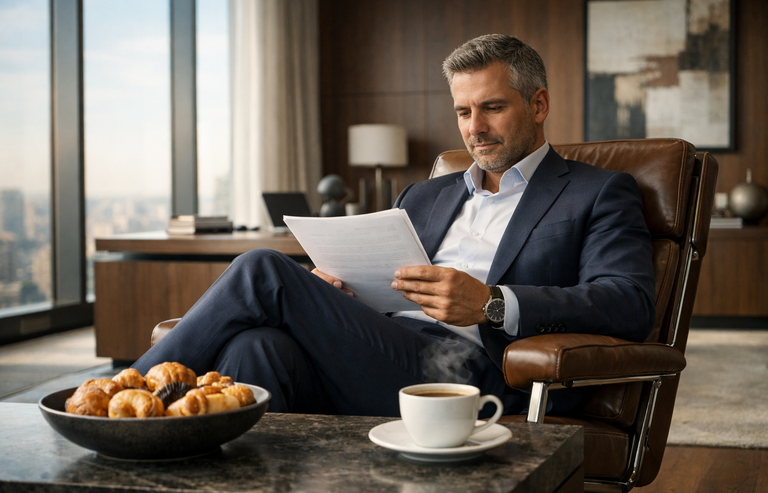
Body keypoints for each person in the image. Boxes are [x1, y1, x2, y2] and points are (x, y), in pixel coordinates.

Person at [133, 34, 655, 417]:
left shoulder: (597, 192)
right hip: (381, 350)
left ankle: (120, 395)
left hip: (471, 371)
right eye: (463, 112)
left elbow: (627, 302)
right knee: (257, 348)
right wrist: (337, 294)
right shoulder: (424, 195)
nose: (475, 128)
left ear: (538, 104)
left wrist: (493, 302)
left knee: (261, 270)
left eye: (492, 108)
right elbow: (383, 288)